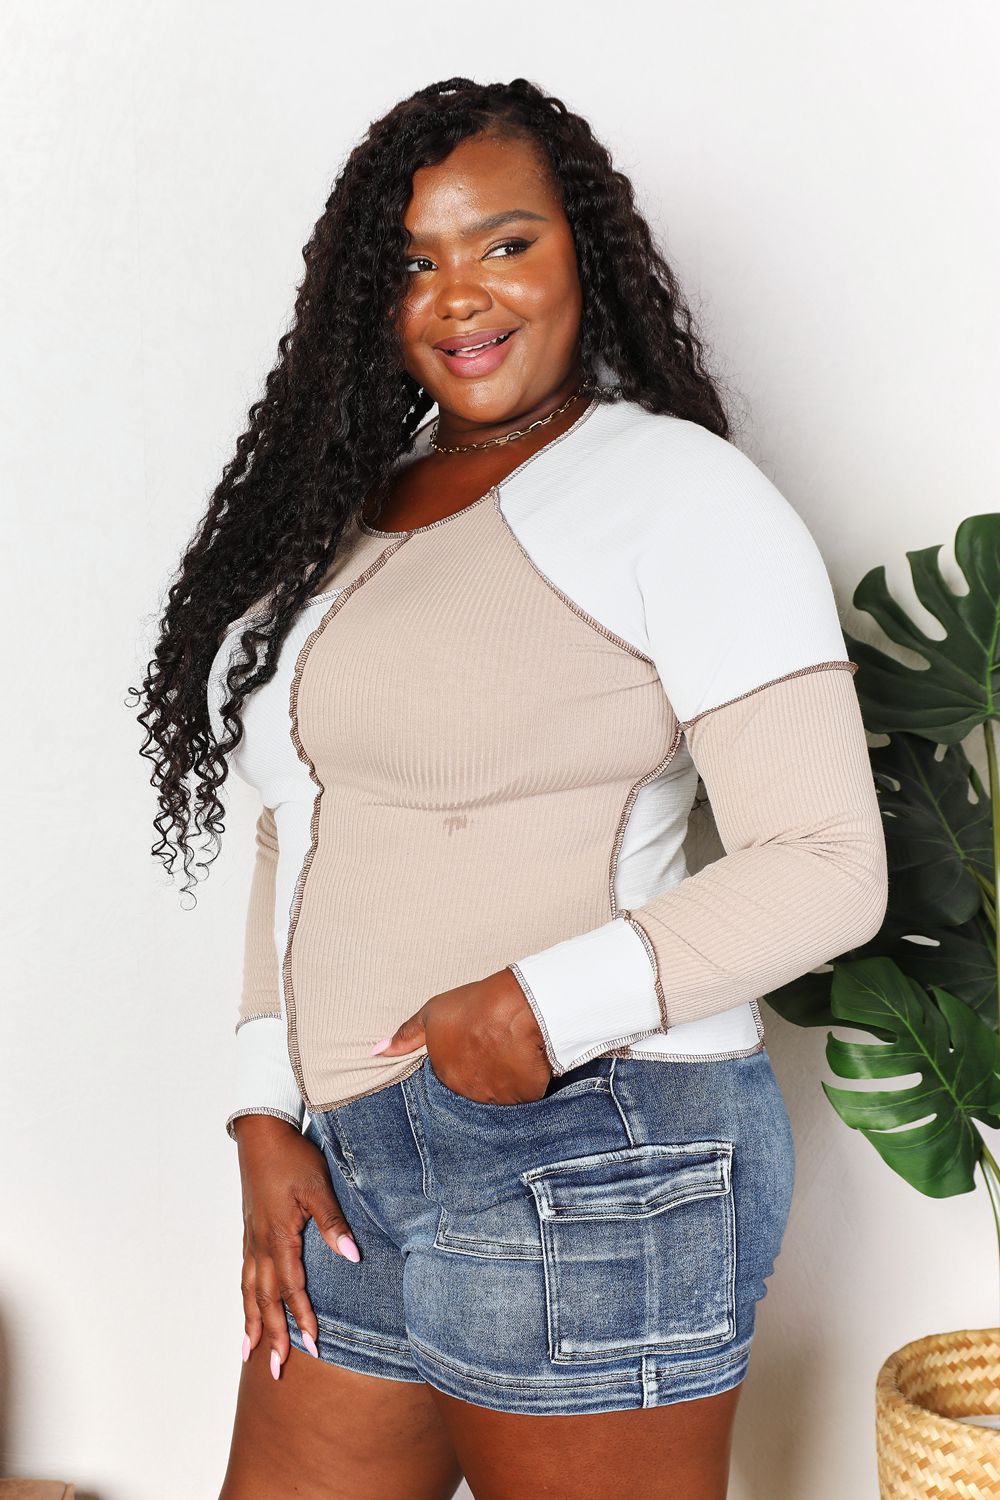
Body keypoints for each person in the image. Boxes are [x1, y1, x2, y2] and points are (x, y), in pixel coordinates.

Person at [134, 76, 888, 1500]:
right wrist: (262, 1113)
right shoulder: (349, 516)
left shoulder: (676, 492)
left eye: (505, 244)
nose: (459, 295)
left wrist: (536, 1010)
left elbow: (829, 859)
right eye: (416, 262)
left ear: (580, 257)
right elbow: (292, 836)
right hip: (348, 1166)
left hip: (591, 1147)